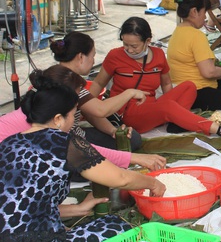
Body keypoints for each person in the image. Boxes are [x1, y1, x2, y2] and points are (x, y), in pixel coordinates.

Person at [0, 71, 166, 241]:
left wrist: (77, 209)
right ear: (58, 119)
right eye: (73, 115)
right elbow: (121, 178)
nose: (74, 121)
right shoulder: (63, 141)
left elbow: (22, 205)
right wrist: (153, 183)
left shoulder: (9, 143)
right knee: (117, 226)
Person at [0, 64, 166, 174]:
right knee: (93, 169)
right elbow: (81, 150)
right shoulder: (45, 124)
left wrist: (113, 131)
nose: (80, 101)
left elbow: (80, 144)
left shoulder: (47, 108)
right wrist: (135, 160)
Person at [89, 17, 221, 135]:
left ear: (148, 41)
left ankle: (175, 120)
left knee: (189, 86)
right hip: (128, 113)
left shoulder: (158, 55)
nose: (129, 50)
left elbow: (166, 84)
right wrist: (87, 107)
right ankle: (213, 128)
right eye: (125, 45)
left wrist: (168, 104)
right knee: (168, 107)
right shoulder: (115, 56)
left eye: (134, 46)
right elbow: (98, 83)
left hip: (152, 106)